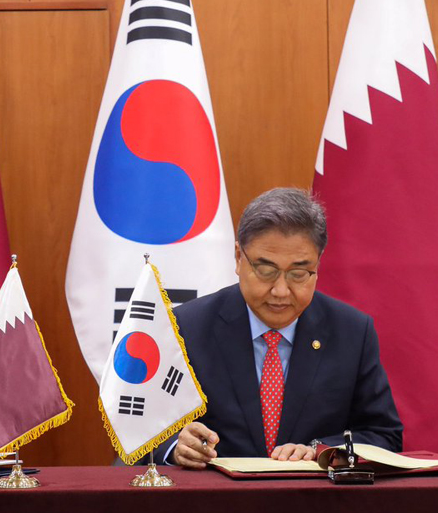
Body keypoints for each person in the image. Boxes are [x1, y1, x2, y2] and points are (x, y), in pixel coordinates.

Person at [162, 187, 403, 469]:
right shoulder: (185, 328)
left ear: (318, 264)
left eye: (299, 273)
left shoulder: (351, 332)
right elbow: (140, 432)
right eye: (266, 270)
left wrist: (321, 450)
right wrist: (175, 447)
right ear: (239, 257)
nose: (280, 291)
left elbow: (385, 436)